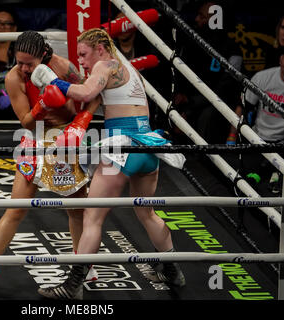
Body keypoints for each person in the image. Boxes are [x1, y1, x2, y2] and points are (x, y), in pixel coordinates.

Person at [31, 28, 186, 300]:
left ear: (100, 48)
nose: (81, 61)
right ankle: (172, 270)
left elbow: (84, 92)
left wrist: (54, 81)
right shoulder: (128, 70)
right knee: (146, 213)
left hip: (124, 147)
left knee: (92, 217)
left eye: (83, 54)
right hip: (148, 146)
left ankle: (73, 285)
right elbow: (98, 94)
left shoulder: (105, 64)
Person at [0, 30, 99, 296]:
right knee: (16, 209)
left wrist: (80, 123)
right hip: (37, 138)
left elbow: (92, 97)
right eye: (20, 61)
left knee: (76, 211)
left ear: (43, 55)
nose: (24, 67)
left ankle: (82, 266)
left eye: (30, 62)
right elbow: (26, 121)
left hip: (66, 140)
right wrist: (43, 102)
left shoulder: (64, 67)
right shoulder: (13, 77)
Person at [172, 0, 242, 144]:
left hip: (215, 104)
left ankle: (206, 160)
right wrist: (181, 97)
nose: (197, 19)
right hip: (190, 100)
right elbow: (180, 75)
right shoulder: (192, 43)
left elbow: (223, 90)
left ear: (216, 21)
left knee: (208, 115)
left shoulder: (232, 50)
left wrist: (190, 106)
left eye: (202, 17)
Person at [227, 50, 284, 193]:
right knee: (249, 180)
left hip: (282, 144)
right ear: (281, 59)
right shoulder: (263, 77)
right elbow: (243, 106)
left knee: (274, 183)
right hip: (258, 139)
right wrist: (232, 136)